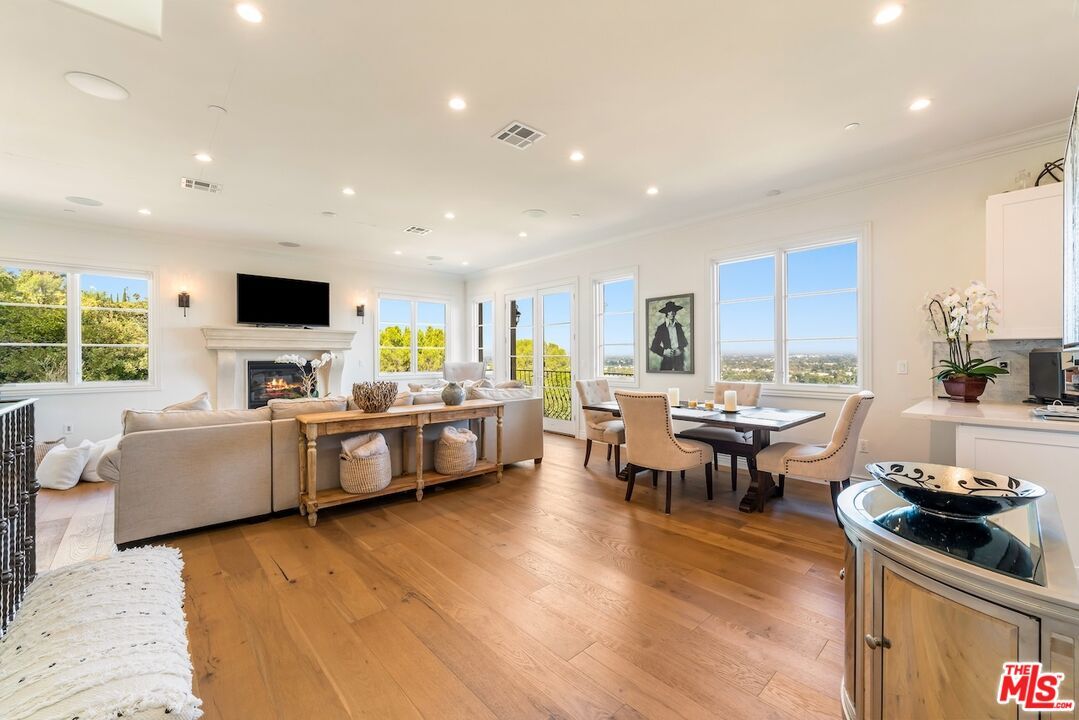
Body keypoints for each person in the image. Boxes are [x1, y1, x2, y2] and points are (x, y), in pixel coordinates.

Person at [650, 300, 689, 371]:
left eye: (674, 311)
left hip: (679, 360)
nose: (672, 313)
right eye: (669, 311)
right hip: (667, 361)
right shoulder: (661, 328)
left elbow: (684, 342)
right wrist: (664, 352)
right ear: (666, 313)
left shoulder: (678, 327)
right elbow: (654, 347)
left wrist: (680, 350)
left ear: (676, 313)